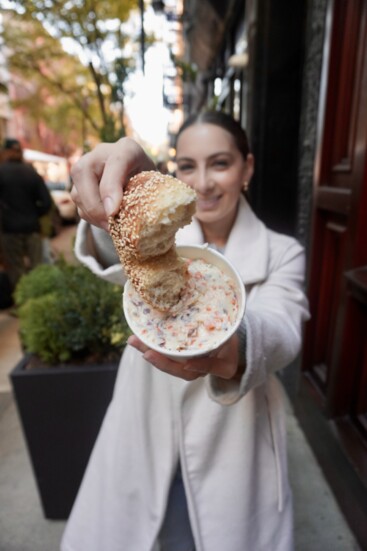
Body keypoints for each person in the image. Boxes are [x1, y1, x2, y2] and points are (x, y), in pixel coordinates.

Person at [61, 111, 310, 551]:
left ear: (246, 167)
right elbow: (118, 256)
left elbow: (284, 329)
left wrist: (235, 344)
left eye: (220, 163)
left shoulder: (282, 252)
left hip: (234, 443)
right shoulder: (159, 232)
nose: (203, 183)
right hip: (144, 425)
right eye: (188, 166)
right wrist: (111, 206)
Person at [0, 138, 52, 291]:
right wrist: (35, 215)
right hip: (32, 228)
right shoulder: (31, 173)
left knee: (16, 269)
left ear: (5, 152)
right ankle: (37, 299)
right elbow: (47, 203)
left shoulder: (1, 172)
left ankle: (23, 304)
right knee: (37, 268)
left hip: (10, 230)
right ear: (19, 152)